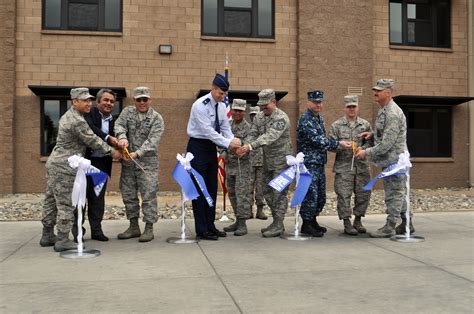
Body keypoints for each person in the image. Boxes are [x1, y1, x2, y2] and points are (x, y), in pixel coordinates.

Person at [40, 88, 119, 252]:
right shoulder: (77, 120)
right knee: (66, 203)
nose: (88, 103)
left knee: (51, 201)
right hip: (65, 166)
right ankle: (62, 239)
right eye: (85, 101)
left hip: (55, 162)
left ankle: (47, 235)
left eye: (90, 100)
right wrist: (113, 152)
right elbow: (92, 140)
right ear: (74, 102)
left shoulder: (68, 115)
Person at [355, 79, 414, 238]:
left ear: (388, 93)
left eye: (379, 90)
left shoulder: (392, 113)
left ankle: (390, 226)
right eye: (375, 89)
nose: (375, 93)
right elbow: (386, 134)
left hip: (395, 161)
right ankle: (407, 223)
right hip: (390, 160)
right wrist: (372, 135)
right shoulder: (384, 110)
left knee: (394, 193)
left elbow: (387, 143)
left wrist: (366, 152)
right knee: (399, 192)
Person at [186, 74, 241, 241]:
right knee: (200, 189)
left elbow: (225, 127)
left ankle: (210, 226)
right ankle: (201, 229)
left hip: (211, 148)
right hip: (197, 147)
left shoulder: (221, 106)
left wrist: (232, 140)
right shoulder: (199, 105)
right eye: (220, 93)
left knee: (211, 188)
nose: (223, 97)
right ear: (213, 88)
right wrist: (229, 144)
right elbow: (208, 132)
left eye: (225, 94)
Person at [236, 89, 292, 238]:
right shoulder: (259, 117)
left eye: (265, 105)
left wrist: (250, 146)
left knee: (279, 192)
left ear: (274, 102)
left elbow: (269, 137)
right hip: (267, 161)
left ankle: (279, 224)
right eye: (260, 105)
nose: (262, 108)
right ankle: (276, 222)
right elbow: (253, 133)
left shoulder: (282, 118)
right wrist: (245, 145)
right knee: (267, 191)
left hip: (281, 161)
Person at [296, 90, 352, 237]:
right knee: (310, 194)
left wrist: (337, 144)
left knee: (319, 195)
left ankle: (313, 221)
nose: (318, 105)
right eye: (315, 102)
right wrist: (338, 144)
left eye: (320, 102)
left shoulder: (318, 118)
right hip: (309, 163)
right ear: (308, 102)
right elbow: (318, 140)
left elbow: (323, 140)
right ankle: (306, 224)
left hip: (318, 163)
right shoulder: (306, 119)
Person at [115, 86, 164, 242]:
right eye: (139, 100)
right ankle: (133, 226)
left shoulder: (156, 118)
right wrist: (122, 137)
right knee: (128, 195)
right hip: (128, 163)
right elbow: (119, 125)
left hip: (147, 164)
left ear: (149, 100)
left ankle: (149, 228)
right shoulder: (127, 112)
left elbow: (153, 141)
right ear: (134, 101)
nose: (142, 102)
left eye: (145, 99)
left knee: (149, 195)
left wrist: (137, 153)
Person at [72, 88, 119, 242]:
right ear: (98, 102)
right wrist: (108, 138)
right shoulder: (88, 114)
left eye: (112, 101)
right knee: (81, 198)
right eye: (105, 100)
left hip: (102, 165)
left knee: (97, 199)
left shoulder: (115, 121)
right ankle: (78, 231)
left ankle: (97, 231)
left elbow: (120, 137)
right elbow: (91, 130)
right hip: (85, 163)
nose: (109, 103)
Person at [329, 95, 372, 235]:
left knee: (363, 194)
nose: (352, 109)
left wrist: (364, 149)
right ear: (345, 108)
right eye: (349, 107)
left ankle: (358, 220)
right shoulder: (336, 125)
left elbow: (372, 143)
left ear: (358, 107)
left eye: (354, 106)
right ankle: (346, 222)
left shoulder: (365, 125)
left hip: (362, 166)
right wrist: (341, 145)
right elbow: (330, 145)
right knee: (343, 195)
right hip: (344, 167)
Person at [222, 99, 252, 236]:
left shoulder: (248, 128)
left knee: (242, 195)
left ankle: (242, 223)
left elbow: (248, 146)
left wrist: (238, 150)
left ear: (244, 111)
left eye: (240, 111)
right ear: (231, 110)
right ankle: (237, 219)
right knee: (232, 194)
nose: (237, 113)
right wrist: (223, 153)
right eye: (235, 110)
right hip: (230, 166)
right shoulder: (227, 126)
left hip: (242, 167)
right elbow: (221, 142)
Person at [248, 106, 267, 220]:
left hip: (262, 163)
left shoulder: (265, 129)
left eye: (256, 114)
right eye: (252, 115)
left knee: (261, 188)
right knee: (248, 187)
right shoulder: (248, 129)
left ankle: (260, 211)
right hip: (249, 162)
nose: (254, 116)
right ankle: (249, 211)